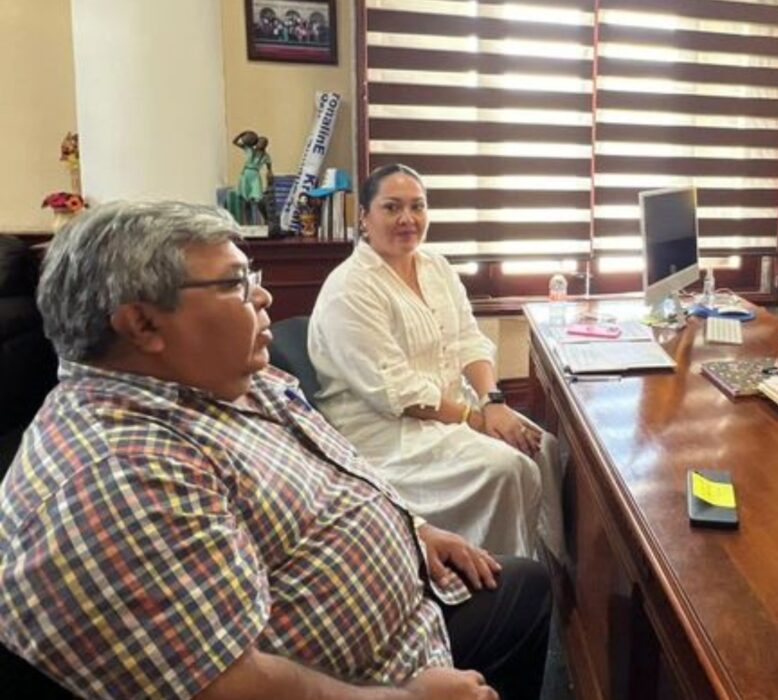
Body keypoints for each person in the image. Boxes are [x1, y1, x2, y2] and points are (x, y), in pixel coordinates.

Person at [0, 201, 550, 700]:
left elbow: (339, 468)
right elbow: (229, 687)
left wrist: (415, 529)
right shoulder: (117, 474)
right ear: (142, 323)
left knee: (527, 585)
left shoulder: (230, 379)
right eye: (237, 284)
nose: (263, 297)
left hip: (413, 615)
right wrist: (411, 697)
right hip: (371, 680)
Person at [309, 164, 565, 561]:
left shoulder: (435, 266)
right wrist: (477, 420)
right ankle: (499, 577)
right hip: (387, 431)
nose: (407, 219)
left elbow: (468, 340)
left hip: (452, 409)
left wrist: (493, 402)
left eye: (418, 206)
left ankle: (553, 576)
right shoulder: (350, 289)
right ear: (364, 218)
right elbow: (399, 393)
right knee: (507, 469)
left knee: (542, 448)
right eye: (391, 207)